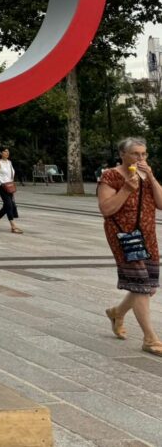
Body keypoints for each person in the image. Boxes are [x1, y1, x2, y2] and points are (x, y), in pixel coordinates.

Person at [98, 137, 162, 355]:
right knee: (140, 283)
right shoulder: (110, 176)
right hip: (123, 236)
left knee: (146, 285)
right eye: (136, 153)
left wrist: (151, 177)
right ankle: (150, 339)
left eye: (144, 154)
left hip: (147, 234)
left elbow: (161, 204)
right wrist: (125, 189)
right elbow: (106, 209)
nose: (141, 158)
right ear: (122, 154)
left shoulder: (146, 175)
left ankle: (117, 312)